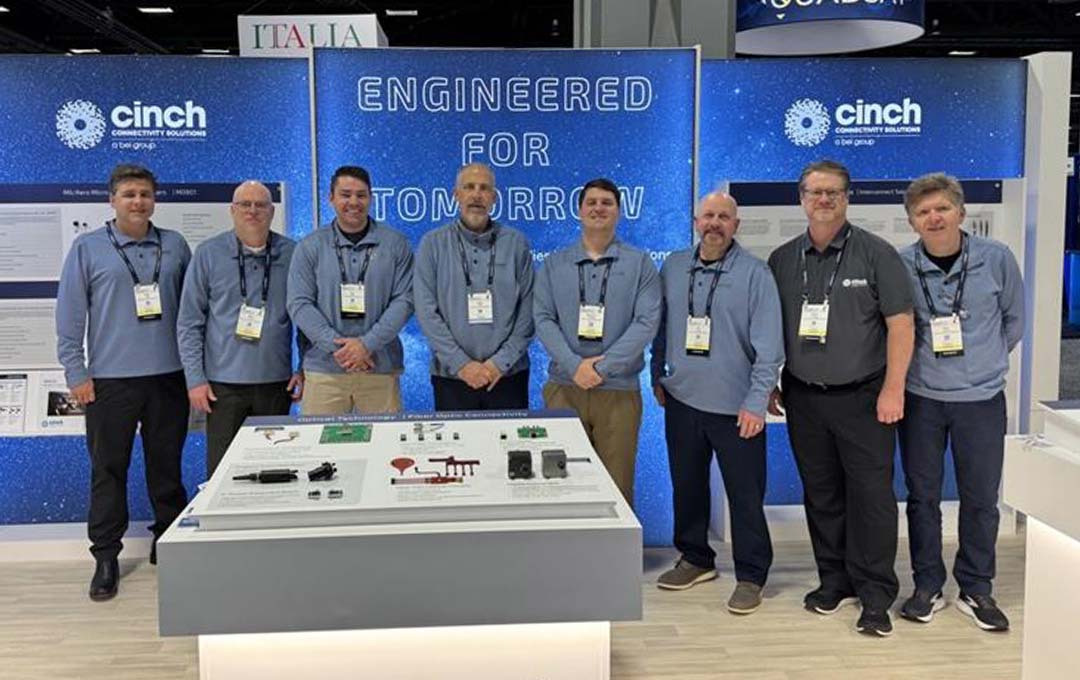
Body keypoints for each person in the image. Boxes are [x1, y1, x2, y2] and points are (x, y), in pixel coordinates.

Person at [767, 160, 914, 637]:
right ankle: (834, 581)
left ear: (848, 197)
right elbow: (767, 330)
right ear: (801, 199)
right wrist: (768, 381)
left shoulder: (877, 254)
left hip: (865, 398)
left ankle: (875, 594)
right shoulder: (782, 259)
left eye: (833, 192)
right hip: (804, 398)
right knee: (822, 494)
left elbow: (901, 325)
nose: (824, 200)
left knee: (872, 498)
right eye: (815, 192)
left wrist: (893, 388)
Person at [56, 163, 192, 601]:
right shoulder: (88, 248)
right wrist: (76, 372)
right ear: (112, 199)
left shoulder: (175, 245)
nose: (138, 201)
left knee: (166, 468)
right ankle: (105, 557)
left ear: (155, 200)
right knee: (108, 472)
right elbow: (69, 317)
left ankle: (167, 540)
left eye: (145, 194)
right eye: (129, 194)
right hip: (109, 383)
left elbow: (193, 313)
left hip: (169, 378)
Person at [896, 173, 1023, 632]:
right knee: (922, 498)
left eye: (942, 208)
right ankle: (927, 586)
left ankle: (976, 587)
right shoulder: (901, 265)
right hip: (922, 399)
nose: (934, 218)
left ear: (961, 212)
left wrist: (982, 365)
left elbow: (1014, 320)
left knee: (981, 499)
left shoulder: (997, 258)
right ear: (912, 221)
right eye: (923, 212)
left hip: (981, 400)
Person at [651, 191, 783, 615]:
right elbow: (660, 327)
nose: (715, 223)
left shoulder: (756, 274)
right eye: (708, 215)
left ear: (735, 225)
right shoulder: (674, 266)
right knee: (687, 485)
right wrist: (657, 374)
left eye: (724, 217)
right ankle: (695, 558)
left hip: (737, 406)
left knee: (745, 496)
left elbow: (770, 348)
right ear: (696, 222)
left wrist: (756, 401)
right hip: (683, 399)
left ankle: (751, 575)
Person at [533, 178, 660, 505]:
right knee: (560, 485)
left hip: (619, 391)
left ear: (619, 211)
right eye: (591, 202)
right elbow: (543, 318)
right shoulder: (554, 264)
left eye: (607, 203)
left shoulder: (640, 263)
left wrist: (602, 368)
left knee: (617, 486)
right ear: (579, 210)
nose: (598, 208)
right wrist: (574, 366)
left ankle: (616, 543)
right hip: (564, 388)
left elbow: (646, 321)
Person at [177, 181, 304, 478]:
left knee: (272, 471)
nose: (252, 211)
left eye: (261, 205)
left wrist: (304, 367)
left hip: (276, 384)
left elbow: (306, 316)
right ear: (232, 210)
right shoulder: (208, 254)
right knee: (223, 473)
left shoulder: (293, 254)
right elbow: (189, 322)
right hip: (222, 387)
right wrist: (195, 379)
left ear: (272, 211)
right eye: (245, 204)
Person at [287, 166, 413, 415]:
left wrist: (367, 345)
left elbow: (406, 300)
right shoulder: (310, 246)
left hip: (379, 369)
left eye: (361, 195)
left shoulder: (395, 244)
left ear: (371, 198)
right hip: (324, 372)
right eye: (345, 194)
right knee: (320, 441)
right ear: (331, 198)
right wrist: (342, 350)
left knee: (384, 440)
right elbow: (299, 303)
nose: (353, 202)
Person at [414, 164, 534, 410]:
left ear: (494, 197)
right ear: (456, 195)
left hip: (508, 376)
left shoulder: (516, 243)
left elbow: (529, 311)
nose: (477, 195)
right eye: (469, 187)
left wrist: (498, 364)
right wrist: (461, 364)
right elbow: (426, 312)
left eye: (484, 188)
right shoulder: (432, 244)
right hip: (451, 377)